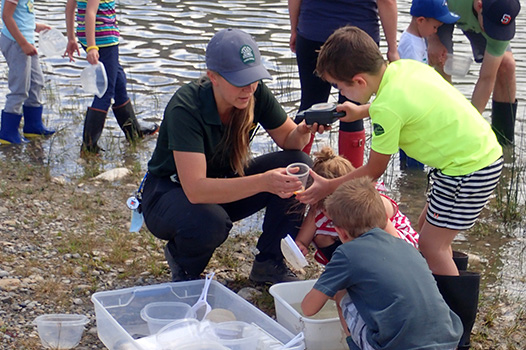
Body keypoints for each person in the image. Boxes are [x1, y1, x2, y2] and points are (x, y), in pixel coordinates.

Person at [296, 26, 503, 349]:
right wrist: (362, 110)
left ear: (359, 82)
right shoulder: (404, 68)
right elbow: (398, 103)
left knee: (434, 247)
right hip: (473, 156)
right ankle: (437, 312)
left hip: (467, 169)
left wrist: (327, 186)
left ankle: (456, 335)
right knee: (425, 233)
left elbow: (373, 171)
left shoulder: (386, 109)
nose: (340, 93)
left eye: (339, 86)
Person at [140, 28, 325, 284]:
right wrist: (264, 182)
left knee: (298, 164)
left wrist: (304, 129)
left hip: (222, 182)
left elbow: (288, 140)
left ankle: (269, 263)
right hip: (169, 193)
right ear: (213, 77)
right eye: (240, 80)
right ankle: (184, 265)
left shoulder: (254, 93)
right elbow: (196, 190)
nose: (249, 88)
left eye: (254, 78)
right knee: (211, 222)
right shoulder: (186, 106)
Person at [301, 177, 462, 350]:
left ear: (340, 231)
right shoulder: (406, 246)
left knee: (342, 294)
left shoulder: (346, 254)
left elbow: (308, 308)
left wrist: (335, 289)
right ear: (386, 217)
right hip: (449, 340)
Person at [288, 0, 399, 167]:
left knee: (309, 107)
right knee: (353, 112)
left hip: (313, 28)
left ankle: (291, 176)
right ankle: (352, 183)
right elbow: (387, 1)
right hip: (359, 37)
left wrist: (294, 28)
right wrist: (392, 49)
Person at [295, 146, 418, 265]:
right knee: (322, 237)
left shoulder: (370, 204)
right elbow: (302, 240)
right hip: (355, 248)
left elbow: (395, 244)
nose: (332, 214)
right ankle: (344, 271)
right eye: (326, 209)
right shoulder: (318, 209)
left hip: (392, 247)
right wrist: (300, 247)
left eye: (337, 208)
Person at [65, 0, 158, 154]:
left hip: (87, 35)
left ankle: (133, 132)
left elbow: (70, 7)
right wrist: (92, 47)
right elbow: (90, 12)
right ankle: (89, 146)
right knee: (105, 91)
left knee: (119, 82)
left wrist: (71, 38)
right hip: (103, 39)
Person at [427, 0, 521, 146]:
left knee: (506, 65)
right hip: (440, 8)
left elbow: (487, 78)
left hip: (474, 15)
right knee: (441, 60)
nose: (496, 33)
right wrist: (432, 39)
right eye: (491, 25)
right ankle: (444, 133)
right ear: (479, 5)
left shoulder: (503, 13)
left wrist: (470, 126)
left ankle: (503, 144)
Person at [396, 0, 459, 170]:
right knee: (416, 158)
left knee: (409, 153)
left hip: (412, 112)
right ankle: (414, 189)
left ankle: (408, 184)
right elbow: (413, 80)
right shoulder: (410, 45)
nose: (435, 32)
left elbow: (418, 70)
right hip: (412, 113)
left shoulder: (418, 39)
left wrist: (432, 65)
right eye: (435, 27)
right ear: (421, 21)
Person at [0, 0, 55, 145]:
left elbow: (22, 14)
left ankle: (33, 126)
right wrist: (23, 43)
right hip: (16, 42)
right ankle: (8, 133)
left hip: (26, 40)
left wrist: (35, 26)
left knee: (36, 82)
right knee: (19, 88)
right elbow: (6, 16)